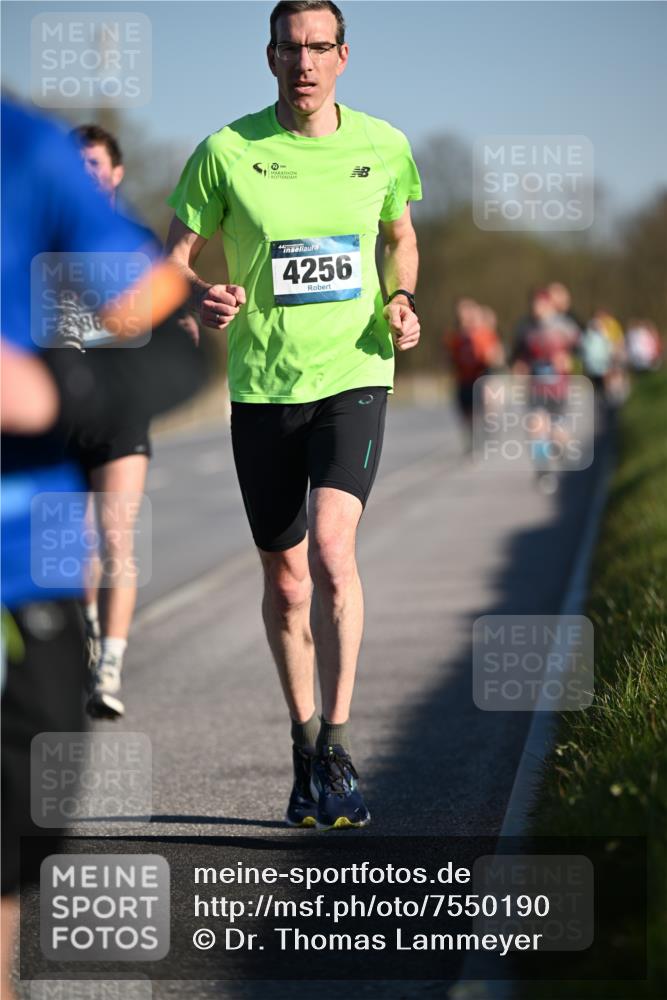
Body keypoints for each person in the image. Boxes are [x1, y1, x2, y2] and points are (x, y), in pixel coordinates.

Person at [166, 0, 422, 830]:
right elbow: (173, 263)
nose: (304, 63)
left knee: (333, 558)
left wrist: (402, 297)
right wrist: (202, 299)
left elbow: (399, 236)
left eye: (319, 48)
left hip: (354, 372)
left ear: (343, 55)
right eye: (290, 48)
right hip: (262, 389)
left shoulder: (382, 145)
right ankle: (304, 743)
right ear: (269, 56)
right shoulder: (226, 151)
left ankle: (340, 748)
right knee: (283, 582)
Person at [1, 97, 188, 1000]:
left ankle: (103, 659)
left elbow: (166, 317)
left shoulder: (30, 153)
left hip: (36, 515)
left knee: (13, 848)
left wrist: (59, 384)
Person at [60, 124, 196, 720]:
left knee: (116, 536)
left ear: (116, 174)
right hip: (57, 417)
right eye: (76, 165)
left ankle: (108, 668)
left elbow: (175, 319)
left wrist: (181, 325)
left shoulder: (135, 244)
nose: (87, 174)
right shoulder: (40, 240)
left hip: (120, 414)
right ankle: (87, 633)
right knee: (71, 547)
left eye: (96, 164)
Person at [444, 298, 504, 450]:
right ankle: (472, 443)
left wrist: (491, 357)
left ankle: (489, 423)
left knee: (486, 396)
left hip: (482, 376)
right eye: (461, 314)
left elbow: (497, 357)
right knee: (467, 416)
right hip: (463, 379)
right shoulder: (454, 338)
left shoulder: (483, 334)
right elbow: (449, 358)